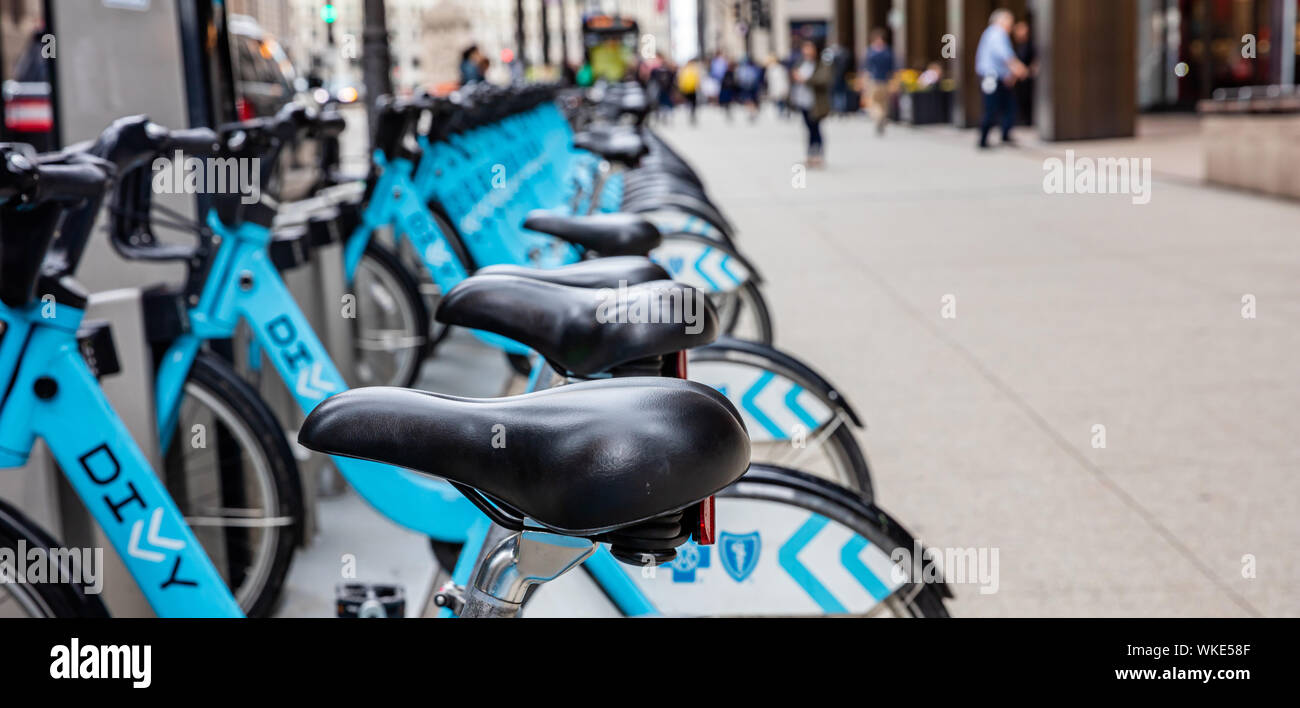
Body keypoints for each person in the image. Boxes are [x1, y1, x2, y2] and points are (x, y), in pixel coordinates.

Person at [974, 8, 1028, 148]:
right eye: (1010, 22)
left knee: (1009, 106)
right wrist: (1018, 68)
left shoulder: (993, 33)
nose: (1011, 25)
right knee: (991, 108)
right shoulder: (996, 34)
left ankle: (1005, 134)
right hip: (991, 77)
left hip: (999, 77)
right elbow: (1004, 56)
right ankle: (984, 139)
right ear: (1001, 21)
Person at [790, 41, 831, 167]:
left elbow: (823, 79)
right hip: (802, 100)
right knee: (808, 127)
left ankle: (818, 154)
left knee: (815, 127)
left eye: (809, 48)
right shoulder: (801, 62)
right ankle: (810, 154)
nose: (807, 51)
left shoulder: (821, 63)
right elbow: (794, 75)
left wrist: (805, 80)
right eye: (805, 48)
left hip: (816, 102)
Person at [862, 28, 895, 135]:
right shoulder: (888, 52)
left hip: (875, 81)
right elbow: (893, 67)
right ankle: (882, 118)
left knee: (874, 103)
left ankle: (879, 117)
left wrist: (864, 80)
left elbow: (866, 67)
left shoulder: (871, 52)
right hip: (885, 80)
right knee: (883, 103)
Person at [1012, 20, 1038, 125]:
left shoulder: (1030, 44)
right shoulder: (1018, 45)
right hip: (1020, 78)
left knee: (1028, 99)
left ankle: (1028, 120)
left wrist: (1028, 71)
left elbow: (1035, 60)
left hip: (1027, 77)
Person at [677, 57, 702, 125]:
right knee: (691, 102)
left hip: (691, 88)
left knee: (692, 102)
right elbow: (681, 78)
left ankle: (691, 113)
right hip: (688, 88)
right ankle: (690, 113)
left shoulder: (690, 69)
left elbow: (696, 78)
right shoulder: (688, 69)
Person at [764, 54, 790, 119]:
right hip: (775, 88)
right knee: (778, 102)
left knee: (781, 101)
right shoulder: (770, 69)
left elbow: (783, 80)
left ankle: (783, 113)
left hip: (780, 88)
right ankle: (780, 113)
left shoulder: (779, 69)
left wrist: (785, 89)